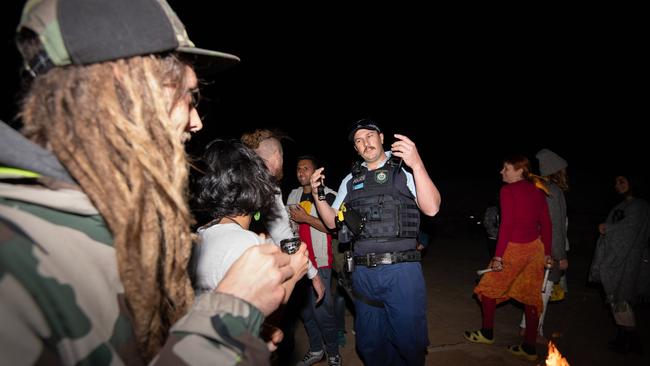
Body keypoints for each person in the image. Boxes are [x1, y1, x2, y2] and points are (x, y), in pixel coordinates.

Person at [0, 0, 297, 364]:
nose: (196, 122)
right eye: (189, 97)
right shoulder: (15, 251)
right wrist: (231, 314)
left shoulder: (109, 218)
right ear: (128, 89)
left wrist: (228, 339)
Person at [310, 118, 441, 366]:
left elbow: (432, 208)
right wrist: (318, 195)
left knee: (409, 343)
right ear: (356, 149)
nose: (364, 143)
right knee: (370, 344)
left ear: (381, 138)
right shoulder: (351, 179)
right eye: (358, 141)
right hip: (363, 273)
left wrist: (418, 164)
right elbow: (330, 222)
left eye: (369, 136)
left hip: (402, 271)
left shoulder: (404, 168)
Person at [464, 154, 552, 362]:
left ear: (520, 171)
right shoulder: (539, 191)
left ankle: (487, 333)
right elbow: (546, 224)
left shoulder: (508, 190)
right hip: (536, 249)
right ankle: (529, 347)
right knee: (532, 296)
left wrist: (498, 256)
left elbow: (507, 225)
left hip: (514, 248)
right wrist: (547, 252)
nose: (501, 172)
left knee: (486, 289)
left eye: (506, 168)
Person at [241, 129, 325, 301]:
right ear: (277, 156)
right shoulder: (268, 186)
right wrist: (313, 273)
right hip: (250, 267)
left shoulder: (234, 175)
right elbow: (283, 235)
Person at [287, 155, 341, 365]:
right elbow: (288, 227)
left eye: (306, 168)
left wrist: (306, 219)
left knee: (322, 312)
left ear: (316, 172)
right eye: (299, 169)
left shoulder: (329, 195)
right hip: (299, 261)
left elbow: (335, 229)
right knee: (305, 311)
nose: (301, 172)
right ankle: (317, 349)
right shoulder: (293, 195)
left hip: (321, 260)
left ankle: (334, 353)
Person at [589, 174, 650, 354]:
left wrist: (608, 228)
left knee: (623, 297)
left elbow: (632, 230)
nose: (617, 185)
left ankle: (631, 339)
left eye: (622, 181)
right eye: (616, 182)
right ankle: (624, 336)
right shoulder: (619, 207)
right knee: (616, 297)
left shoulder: (641, 206)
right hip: (615, 258)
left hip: (630, 259)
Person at [519, 148, 569, 339]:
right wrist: (560, 256)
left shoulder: (535, 186)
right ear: (557, 170)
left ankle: (526, 327)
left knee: (534, 290)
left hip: (530, 247)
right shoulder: (553, 191)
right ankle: (534, 332)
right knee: (543, 292)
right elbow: (555, 226)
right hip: (546, 251)